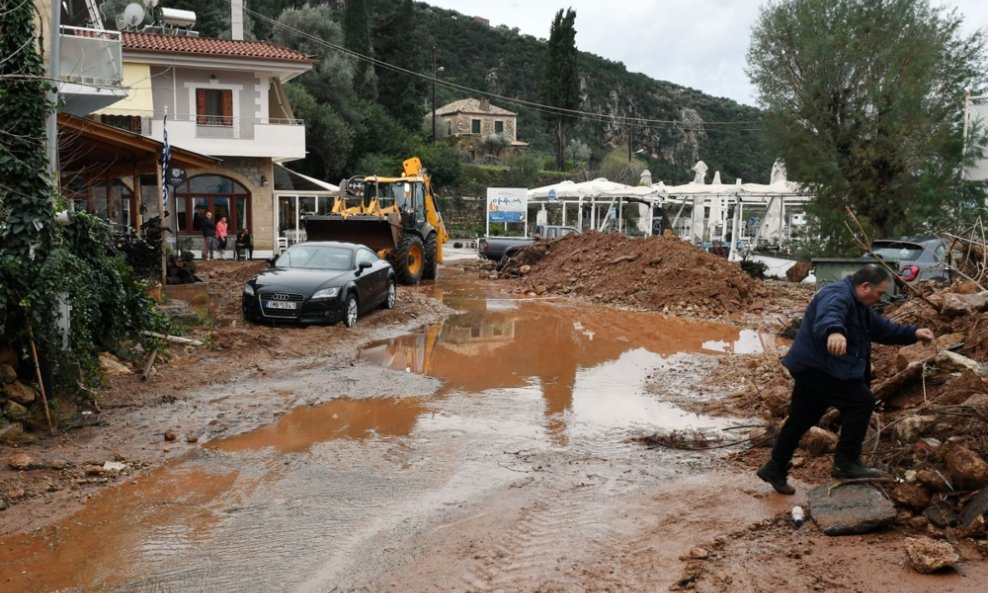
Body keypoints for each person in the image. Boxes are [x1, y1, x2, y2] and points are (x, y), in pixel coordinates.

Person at [756, 264, 935, 494]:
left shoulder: (859, 305)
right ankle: (846, 462)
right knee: (861, 402)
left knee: (802, 417)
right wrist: (834, 331)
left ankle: (775, 467)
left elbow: (883, 329)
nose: (880, 297)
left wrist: (914, 333)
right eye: (879, 293)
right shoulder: (838, 295)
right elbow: (829, 315)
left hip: (814, 367)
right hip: (819, 368)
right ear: (865, 286)